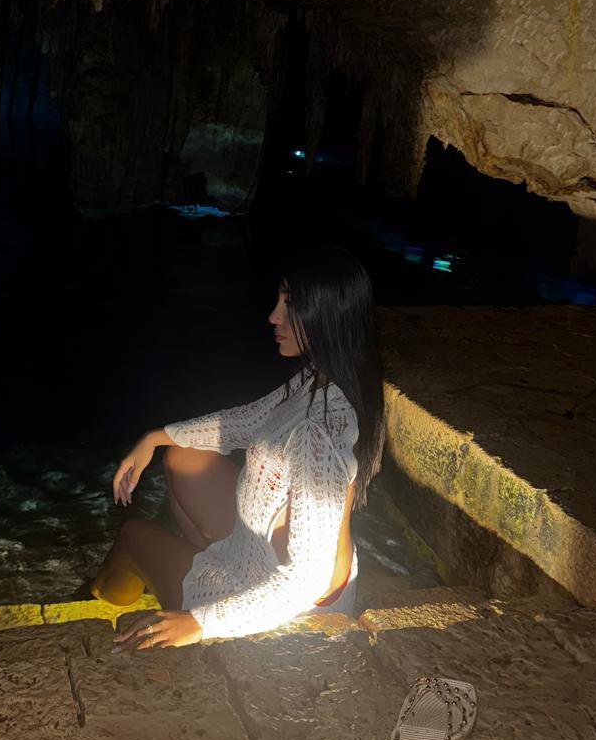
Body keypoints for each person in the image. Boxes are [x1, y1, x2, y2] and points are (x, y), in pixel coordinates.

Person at [91, 245, 384, 652]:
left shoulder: (318, 429)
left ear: (327, 314)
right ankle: (193, 563)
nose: (273, 316)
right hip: (257, 553)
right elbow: (249, 420)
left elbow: (308, 579)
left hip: (280, 606)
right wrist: (155, 437)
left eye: (290, 304)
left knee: (130, 537)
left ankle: (100, 598)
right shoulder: (326, 380)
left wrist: (200, 622)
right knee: (182, 459)